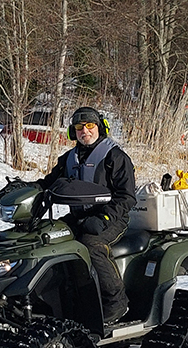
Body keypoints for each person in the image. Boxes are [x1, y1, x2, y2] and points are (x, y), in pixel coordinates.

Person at [40, 106, 136, 323]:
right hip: (79, 216)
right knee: (46, 236)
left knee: (90, 245)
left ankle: (116, 302)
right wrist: (24, 189)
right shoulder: (68, 159)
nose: (85, 131)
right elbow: (48, 184)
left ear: (100, 127)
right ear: (73, 132)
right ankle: (60, 298)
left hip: (112, 218)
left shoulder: (115, 156)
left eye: (90, 126)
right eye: (79, 127)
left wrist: (105, 219)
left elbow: (127, 197)